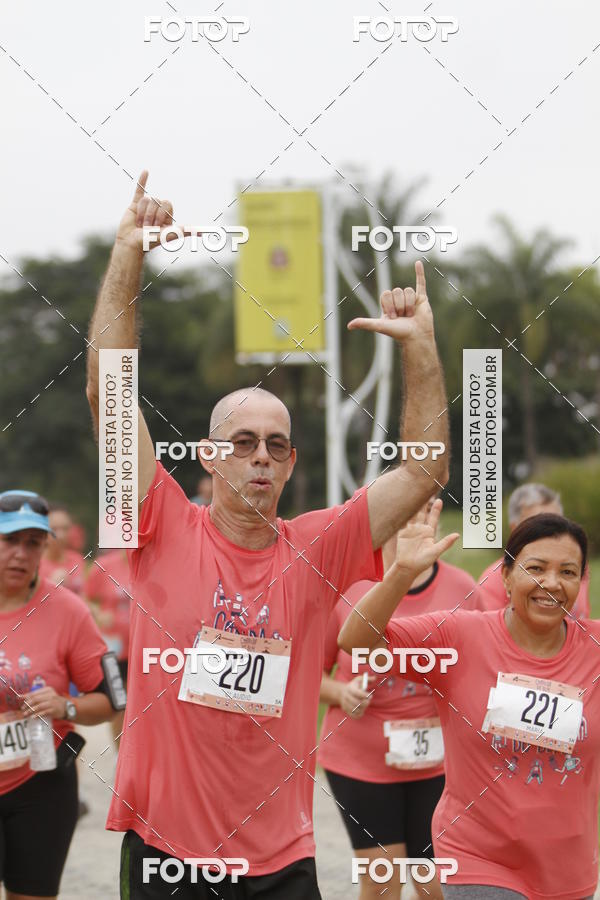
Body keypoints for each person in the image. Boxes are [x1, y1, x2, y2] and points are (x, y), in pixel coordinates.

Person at [85, 170, 450, 898]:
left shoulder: (320, 545)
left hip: (282, 860)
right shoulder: (159, 523)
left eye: (276, 445)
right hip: (169, 852)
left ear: (290, 465)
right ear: (210, 455)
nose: (260, 456)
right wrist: (129, 251)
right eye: (244, 441)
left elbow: (426, 470)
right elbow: (109, 392)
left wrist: (421, 350)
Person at [339, 503, 599, 900]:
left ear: (583, 582)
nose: (552, 582)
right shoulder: (459, 637)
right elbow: (356, 641)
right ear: (506, 577)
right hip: (478, 858)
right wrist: (402, 572)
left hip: (567, 868)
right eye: (536, 568)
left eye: (567, 572)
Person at [319, 501, 483, 900]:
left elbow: (485, 667)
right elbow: (304, 669)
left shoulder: (463, 588)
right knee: (382, 884)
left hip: (440, 764)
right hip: (360, 762)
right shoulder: (348, 588)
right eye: (399, 512)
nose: (408, 523)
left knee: (434, 885)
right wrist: (340, 692)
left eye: (421, 511)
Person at [0, 490, 114, 899]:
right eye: (9, 540)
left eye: (33, 542)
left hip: (41, 784)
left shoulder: (68, 611)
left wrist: (65, 705)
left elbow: (108, 699)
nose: (20, 553)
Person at [479, 483, 590, 618]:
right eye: (537, 526)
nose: (550, 534)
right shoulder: (491, 580)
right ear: (515, 528)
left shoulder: (577, 566)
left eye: (556, 523)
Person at [85, 549, 131, 744]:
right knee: (119, 705)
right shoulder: (103, 566)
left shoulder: (152, 562)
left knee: (144, 706)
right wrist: (98, 614)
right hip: (115, 649)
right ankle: (121, 758)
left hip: (145, 648)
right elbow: (85, 599)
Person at [39, 504, 87, 597]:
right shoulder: (34, 564)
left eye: (65, 528)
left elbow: (84, 598)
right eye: (54, 529)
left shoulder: (77, 559)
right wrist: (51, 586)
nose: (61, 535)